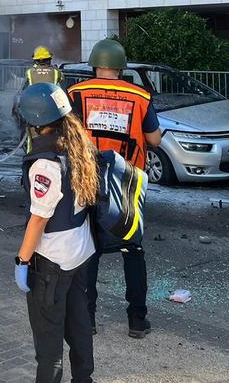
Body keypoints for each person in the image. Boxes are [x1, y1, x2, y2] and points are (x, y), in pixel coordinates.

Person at [67, 38, 160, 339]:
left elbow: (66, 136)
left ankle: (88, 319)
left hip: (88, 179)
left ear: (95, 63)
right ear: (121, 67)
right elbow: (155, 140)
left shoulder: (76, 94)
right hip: (127, 181)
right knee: (132, 249)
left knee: (89, 250)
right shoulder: (141, 96)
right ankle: (137, 321)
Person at [15, 82, 98, 383]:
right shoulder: (78, 146)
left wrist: (22, 262)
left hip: (52, 261)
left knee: (48, 346)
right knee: (78, 327)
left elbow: (39, 219)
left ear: (33, 122)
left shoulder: (44, 164)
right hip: (81, 253)